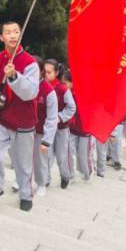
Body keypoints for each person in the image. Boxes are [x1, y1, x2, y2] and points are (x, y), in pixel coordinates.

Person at [0, 21, 40, 212]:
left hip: (23, 121)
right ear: (1, 37)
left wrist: (14, 76)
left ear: (21, 36)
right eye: (8, 32)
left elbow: (30, 92)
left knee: (22, 163)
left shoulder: (30, 63)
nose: (13, 35)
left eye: (16, 32)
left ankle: (25, 194)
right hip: (2, 117)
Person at [45, 60, 76, 189]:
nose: (46, 74)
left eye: (49, 72)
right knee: (46, 155)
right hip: (47, 128)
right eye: (44, 72)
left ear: (56, 73)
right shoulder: (42, 86)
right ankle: (45, 179)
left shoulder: (62, 89)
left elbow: (71, 107)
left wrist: (60, 117)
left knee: (61, 156)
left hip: (61, 129)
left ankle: (65, 176)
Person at [32, 56, 58, 196]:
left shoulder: (49, 91)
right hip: (26, 129)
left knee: (41, 159)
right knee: (22, 157)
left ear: (41, 71)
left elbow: (52, 118)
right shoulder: (25, 85)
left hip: (41, 131)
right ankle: (22, 180)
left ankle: (41, 183)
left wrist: (46, 140)